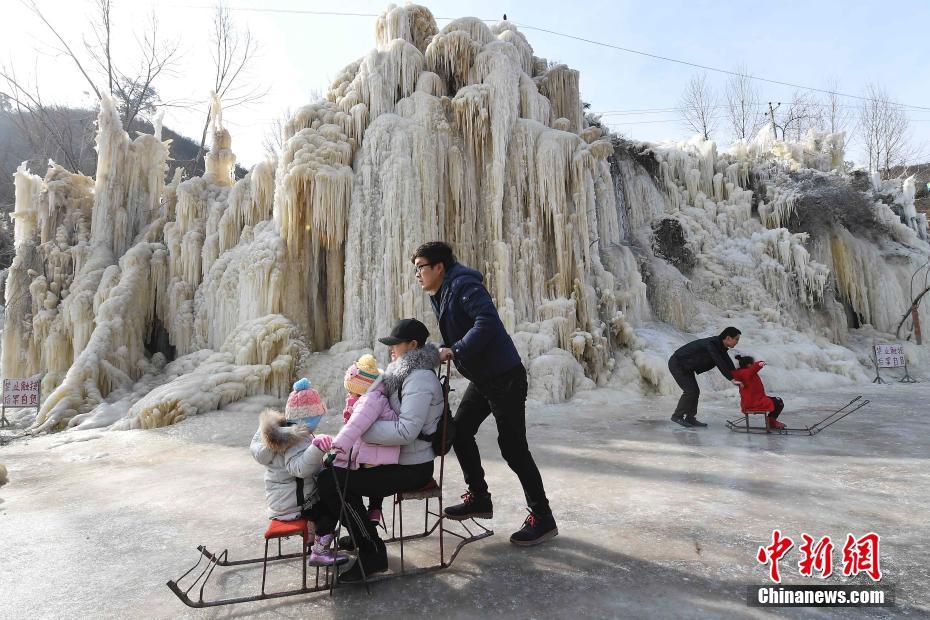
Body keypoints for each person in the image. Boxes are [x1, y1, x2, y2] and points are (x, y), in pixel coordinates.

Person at [411, 241, 557, 546]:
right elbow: (459, 330)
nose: (417, 274)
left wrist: (458, 349)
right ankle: (479, 497)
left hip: (505, 377)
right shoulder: (443, 291)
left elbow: (487, 322)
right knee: (460, 432)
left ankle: (542, 517)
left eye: (421, 266)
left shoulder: (463, 284)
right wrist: (442, 346)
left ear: (439, 267)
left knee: (514, 449)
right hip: (484, 378)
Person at [315, 318, 443, 582]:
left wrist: (359, 431)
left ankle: (372, 550)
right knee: (335, 473)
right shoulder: (404, 373)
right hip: (399, 461)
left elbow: (407, 431)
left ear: (413, 345)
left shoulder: (419, 379)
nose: (391, 349)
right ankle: (361, 531)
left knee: (332, 481)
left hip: (412, 467)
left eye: (396, 344)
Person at [249, 379, 347, 566]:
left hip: (280, 503)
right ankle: (319, 550)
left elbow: (294, 473)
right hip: (296, 505)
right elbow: (299, 469)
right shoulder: (296, 439)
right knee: (333, 508)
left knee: (324, 499)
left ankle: (312, 536)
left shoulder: (277, 435)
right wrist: (317, 448)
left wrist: (323, 462)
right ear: (309, 420)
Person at [334, 353, 401, 525]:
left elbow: (354, 426)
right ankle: (373, 511)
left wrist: (337, 447)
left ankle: (369, 514)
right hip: (379, 449)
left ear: (361, 387)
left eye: (351, 388)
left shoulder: (370, 400)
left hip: (378, 451)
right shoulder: (371, 396)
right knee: (357, 467)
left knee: (349, 473)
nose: (349, 392)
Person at [667, 327, 743, 428]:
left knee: (695, 391)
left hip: (687, 366)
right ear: (728, 338)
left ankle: (690, 418)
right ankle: (677, 416)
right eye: (736, 339)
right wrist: (731, 379)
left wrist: (737, 376)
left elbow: (727, 362)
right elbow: (719, 361)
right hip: (678, 363)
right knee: (690, 391)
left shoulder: (720, 346)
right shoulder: (711, 344)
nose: (737, 342)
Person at [732, 355, 786, 430]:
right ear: (749, 365)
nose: (754, 364)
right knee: (778, 402)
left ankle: (771, 421)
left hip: (756, 400)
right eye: (753, 363)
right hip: (753, 403)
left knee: (778, 401)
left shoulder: (746, 373)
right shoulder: (745, 373)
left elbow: (752, 370)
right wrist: (759, 364)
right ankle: (771, 421)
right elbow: (753, 369)